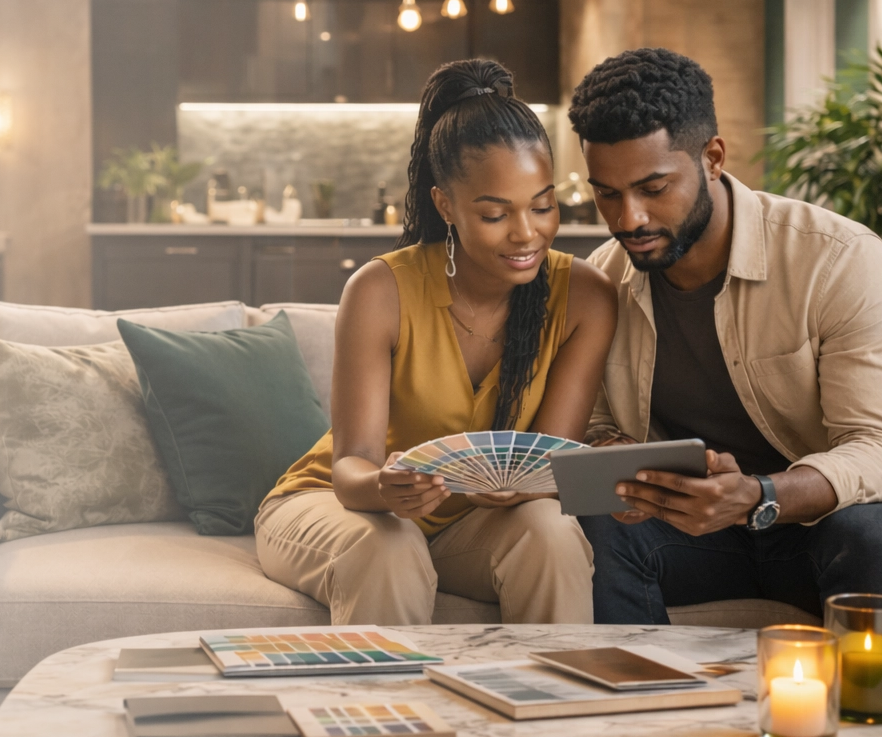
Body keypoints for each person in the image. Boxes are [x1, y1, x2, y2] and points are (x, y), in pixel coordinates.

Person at [567, 47, 882, 649]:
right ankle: (644, 716)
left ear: (712, 157)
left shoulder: (837, 257)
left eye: (653, 188)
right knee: (593, 528)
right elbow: (598, 426)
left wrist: (758, 496)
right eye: (606, 194)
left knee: (874, 534)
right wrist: (636, 476)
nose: (628, 217)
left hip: (838, 520)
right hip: (698, 530)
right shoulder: (604, 278)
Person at [255, 58, 617, 625]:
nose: (527, 233)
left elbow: (551, 466)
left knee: (551, 532)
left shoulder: (586, 297)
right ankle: (387, 711)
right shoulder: (381, 289)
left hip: (465, 524)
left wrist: (527, 488)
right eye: (496, 213)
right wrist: (386, 487)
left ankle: (551, 706)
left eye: (543, 206)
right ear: (446, 205)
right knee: (391, 547)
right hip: (344, 504)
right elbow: (352, 469)